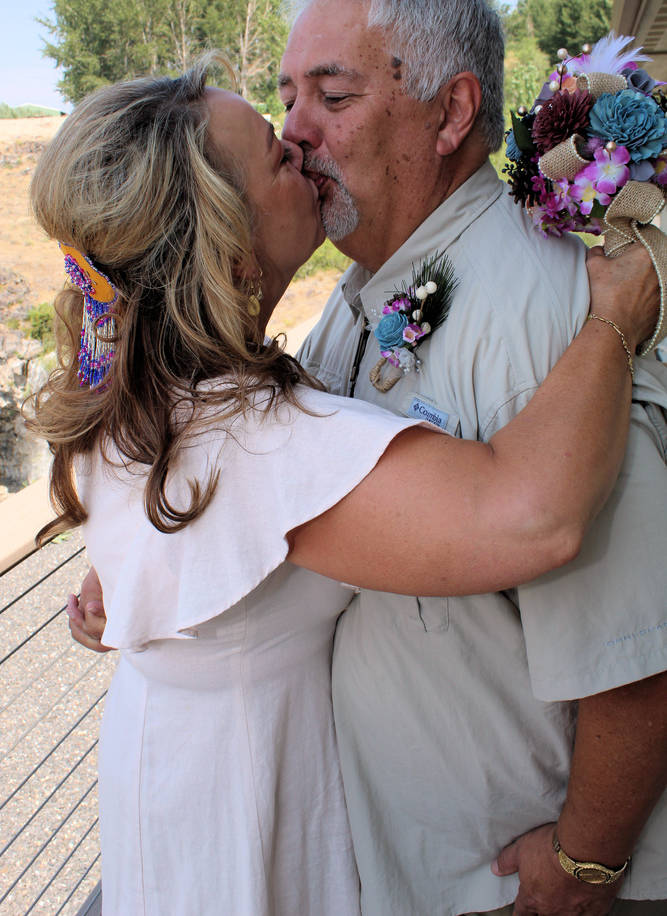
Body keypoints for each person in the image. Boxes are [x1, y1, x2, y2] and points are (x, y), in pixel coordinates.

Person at [31, 56, 657, 916]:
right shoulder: (251, 437)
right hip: (243, 795)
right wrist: (613, 322)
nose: (298, 139)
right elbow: (531, 517)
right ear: (230, 250)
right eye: (276, 154)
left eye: (325, 100)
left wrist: (140, 584)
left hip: (173, 762)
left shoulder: (138, 379)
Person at [277, 0, 667, 916]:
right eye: (286, 98)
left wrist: (583, 864)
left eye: (332, 96)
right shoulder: (354, 299)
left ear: (450, 112)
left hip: (521, 888)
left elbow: (638, 653)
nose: (294, 131)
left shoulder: (548, 312)